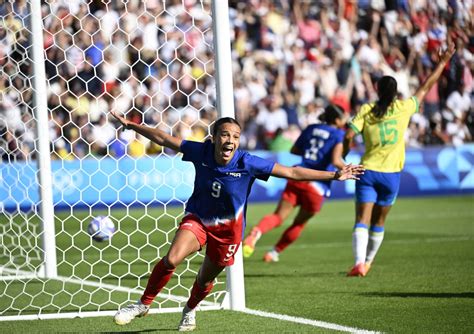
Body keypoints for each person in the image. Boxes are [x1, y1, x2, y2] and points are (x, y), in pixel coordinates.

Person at [109, 112, 364, 331]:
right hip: (198, 218)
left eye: (235, 136)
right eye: (225, 134)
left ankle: (189, 309)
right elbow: (165, 139)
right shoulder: (202, 151)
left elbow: (293, 172)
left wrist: (334, 174)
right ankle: (143, 304)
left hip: (229, 233)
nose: (230, 140)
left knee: (204, 280)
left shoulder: (247, 162)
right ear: (214, 137)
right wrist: (133, 126)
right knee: (172, 258)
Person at [342, 44, 455, 277]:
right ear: (395, 94)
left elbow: (349, 134)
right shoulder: (404, 108)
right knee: (380, 221)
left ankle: (358, 263)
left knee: (362, 219)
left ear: (376, 89)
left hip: (367, 171)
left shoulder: (368, 110)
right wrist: (442, 63)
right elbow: (425, 87)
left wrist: (344, 151)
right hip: (392, 174)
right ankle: (369, 262)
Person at [242, 104, 348, 262]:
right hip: (317, 185)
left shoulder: (311, 128)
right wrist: (346, 168)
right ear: (338, 119)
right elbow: (335, 160)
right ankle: (273, 253)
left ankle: (256, 232)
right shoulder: (339, 134)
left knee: (278, 216)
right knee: (299, 223)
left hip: (298, 176)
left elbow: (294, 150)